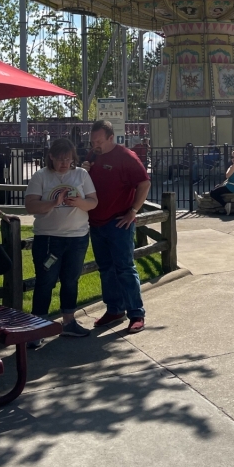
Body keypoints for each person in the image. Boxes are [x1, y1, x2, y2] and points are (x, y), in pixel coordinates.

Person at [24, 138, 98, 338]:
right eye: (60, 159)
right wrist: (53, 203)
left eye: (68, 159)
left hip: (77, 238)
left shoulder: (81, 174)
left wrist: (80, 202)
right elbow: (30, 206)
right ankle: (38, 327)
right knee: (45, 281)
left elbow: (93, 202)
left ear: (73, 158)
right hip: (49, 239)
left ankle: (69, 322)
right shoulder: (41, 176)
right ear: (51, 158)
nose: (64, 163)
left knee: (71, 280)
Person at [83, 120, 151, 333]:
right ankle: (114, 309)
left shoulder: (126, 157)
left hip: (119, 222)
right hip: (96, 222)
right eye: (93, 141)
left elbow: (144, 183)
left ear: (111, 138)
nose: (95, 144)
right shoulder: (92, 156)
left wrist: (133, 211)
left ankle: (136, 313)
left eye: (99, 141)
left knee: (124, 268)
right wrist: (84, 171)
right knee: (105, 269)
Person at [205, 149, 234, 216]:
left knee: (212, 193)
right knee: (217, 187)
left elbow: (227, 175)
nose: (233, 159)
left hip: (231, 187)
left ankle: (225, 204)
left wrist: (229, 168)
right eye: (232, 157)